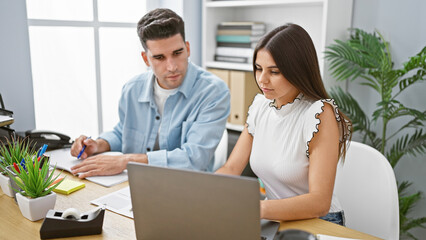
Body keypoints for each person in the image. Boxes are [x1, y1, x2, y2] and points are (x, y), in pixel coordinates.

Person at [216, 23, 352, 226]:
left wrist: (257, 209)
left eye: (274, 71)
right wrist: (206, 193)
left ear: (298, 70)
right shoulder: (260, 106)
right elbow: (232, 167)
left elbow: (320, 202)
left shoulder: (319, 115)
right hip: (276, 219)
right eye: (258, 68)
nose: (262, 79)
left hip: (320, 222)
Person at [70, 8, 230, 178]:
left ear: (187, 49)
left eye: (178, 53)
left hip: (185, 187)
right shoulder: (132, 89)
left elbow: (194, 159)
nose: (172, 66)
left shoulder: (213, 92)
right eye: (159, 58)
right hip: (132, 184)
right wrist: (98, 145)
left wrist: (125, 161)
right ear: (146, 59)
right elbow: (123, 132)